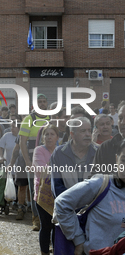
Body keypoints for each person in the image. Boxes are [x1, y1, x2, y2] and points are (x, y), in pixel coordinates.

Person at [53, 140, 125, 255]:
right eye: (123, 160)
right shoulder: (101, 183)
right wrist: (78, 240)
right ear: (116, 159)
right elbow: (62, 203)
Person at [19, 94, 51, 231]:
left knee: (49, 189)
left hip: (49, 161)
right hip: (33, 161)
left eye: (44, 102)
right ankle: (36, 219)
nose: (42, 104)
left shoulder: (51, 119)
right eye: (39, 102)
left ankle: (49, 217)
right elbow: (22, 142)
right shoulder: (28, 119)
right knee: (35, 190)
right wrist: (27, 161)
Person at [51, 117, 98, 198]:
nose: (87, 134)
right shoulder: (59, 153)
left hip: (93, 208)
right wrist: (73, 203)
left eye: (89, 130)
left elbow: (103, 186)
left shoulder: (98, 152)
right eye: (83, 131)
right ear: (72, 134)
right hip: (67, 207)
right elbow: (56, 187)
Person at [33, 125, 59, 255]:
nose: (49, 137)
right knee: (46, 225)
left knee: (57, 226)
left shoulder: (60, 150)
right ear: (43, 137)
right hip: (42, 194)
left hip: (58, 194)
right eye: (46, 134)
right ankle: (44, 252)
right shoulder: (39, 150)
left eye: (52, 134)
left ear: (57, 137)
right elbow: (40, 169)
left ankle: (56, 250)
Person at [93, 101, 125, 167]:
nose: (123, 122)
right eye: (120, 118)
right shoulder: (105, 148)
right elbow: (95, 175)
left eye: (108, 124)